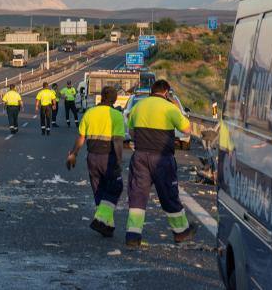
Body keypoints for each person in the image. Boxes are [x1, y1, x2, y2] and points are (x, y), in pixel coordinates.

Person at [125, 79, 197, 246]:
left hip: (140, 156)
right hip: (162, 159)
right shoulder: (170, 108)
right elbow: (186, 129)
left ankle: (133, 236)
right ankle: (181, 232)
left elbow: (131, 131)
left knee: (137, 195)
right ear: (166, 92)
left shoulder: (138, 106)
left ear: (152, 91)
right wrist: (175, 106)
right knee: (168, 195)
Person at [66, 86, 125, 237]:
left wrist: (73, 154)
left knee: (99, 191)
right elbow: (117, 141)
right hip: (108, 157)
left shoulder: (90, 113)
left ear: (101, 97)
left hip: (92, 157)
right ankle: (100, 219)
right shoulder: (116, 115)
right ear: (115, 99)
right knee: (115, 187)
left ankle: (107, 226)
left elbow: (81, 138)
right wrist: (119, 161)